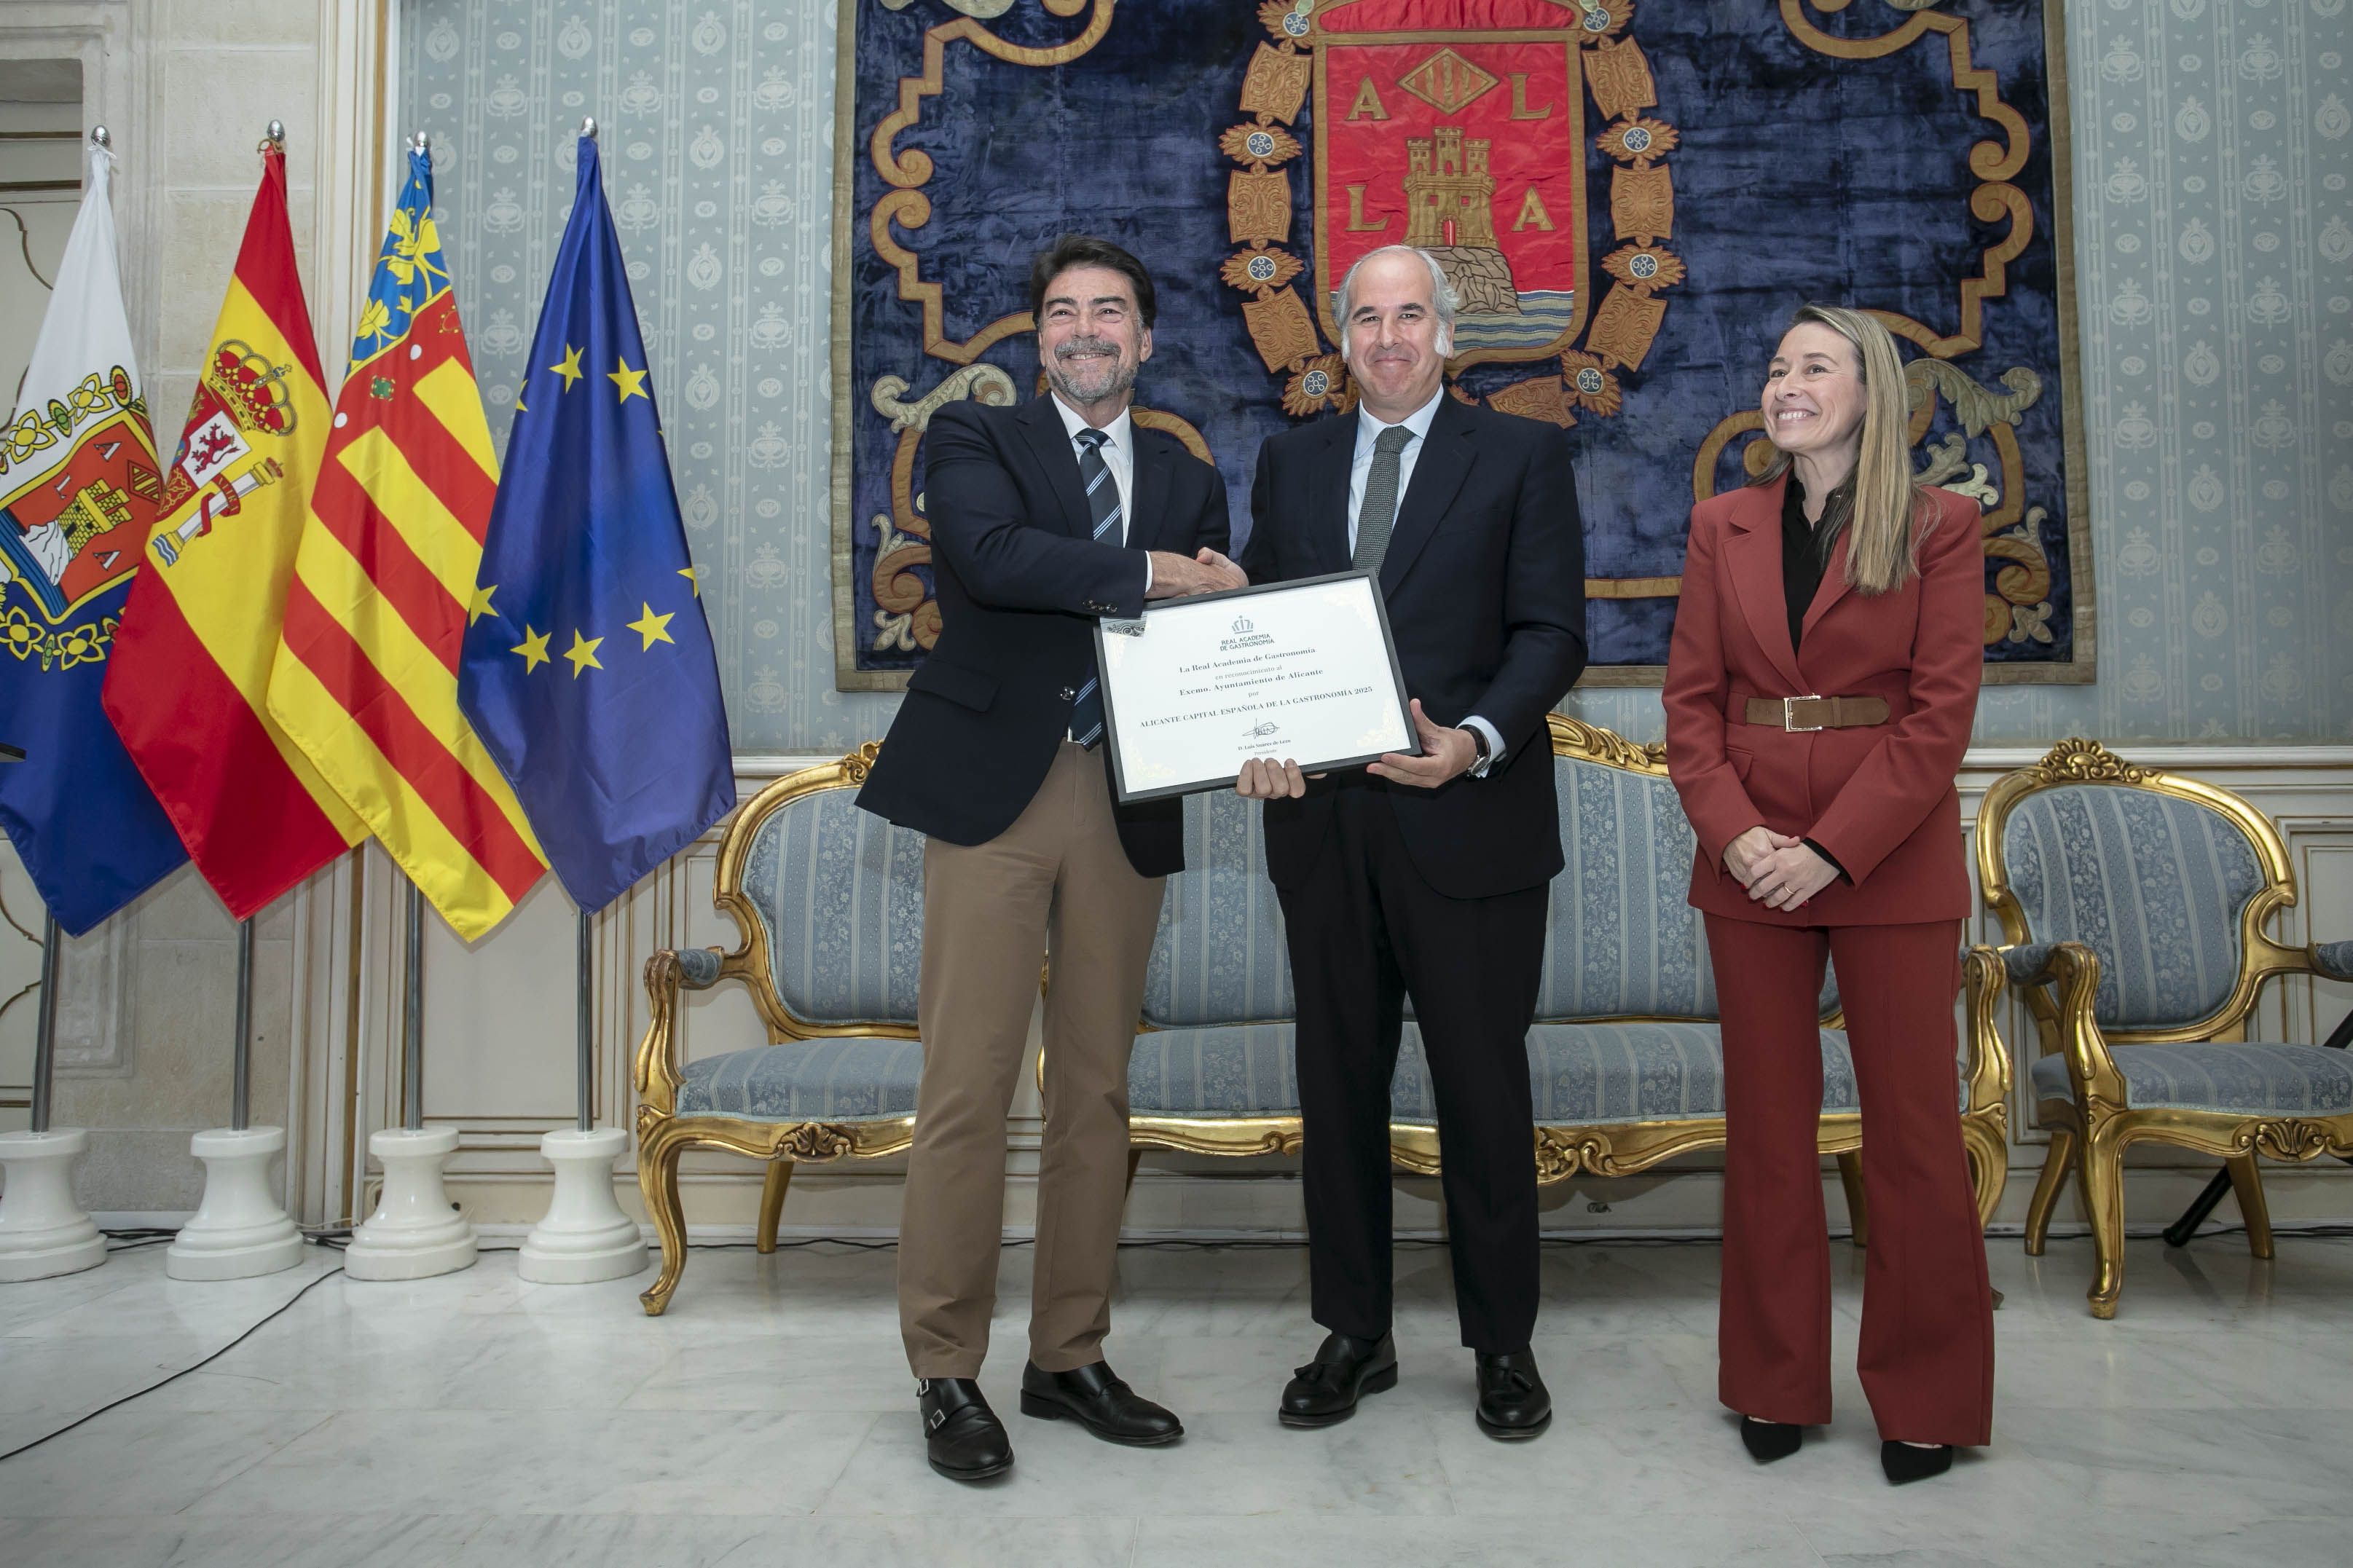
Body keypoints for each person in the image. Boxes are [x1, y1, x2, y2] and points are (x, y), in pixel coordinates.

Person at [856, 234, 1244, 1482]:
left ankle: (1067, 1352)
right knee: (968, 1088)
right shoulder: (977, 443)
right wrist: (1154, 576)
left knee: (1095, 1095)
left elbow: (1214, 633)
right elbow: (993, 560)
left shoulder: (1187, 476)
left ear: (1146, 339)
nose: (1086, 330)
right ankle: (945, 1367)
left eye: (1111, 312)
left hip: (1127, 797)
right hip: (992, 796)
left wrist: (1233, 617)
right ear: (1039, 340)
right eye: (1064, 313)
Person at [1234, 244, 1585, 1440]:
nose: (1388, 337)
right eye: (1366, 317)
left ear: (1449, 335)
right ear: (1339, 339)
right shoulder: (1289, 462)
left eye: (1411, 316)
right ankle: (1354, 1332)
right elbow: (1263, 632)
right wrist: (1259, 737)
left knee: (1482, 1094)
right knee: (1335, 1089)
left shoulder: (1524, 455)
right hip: (1321, 829)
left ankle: (1502, 1346)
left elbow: (1551, 633)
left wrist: (1474, 738)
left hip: (1470, 820)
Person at [1662, 302, 1993, 1485]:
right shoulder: (1721, 524)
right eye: (1774, 366)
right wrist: (1741, 836)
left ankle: (1925, 1397)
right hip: (1746, 858)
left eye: (1813, 365)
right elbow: (1690, 707)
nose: (1785, 382)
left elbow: (1937, 719)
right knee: (1764, 1132)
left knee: (1912, 1137)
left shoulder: (1943, 527)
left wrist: (1833, 849)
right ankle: (1771, 1378)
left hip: (1887, 859)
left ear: (1872, 392)